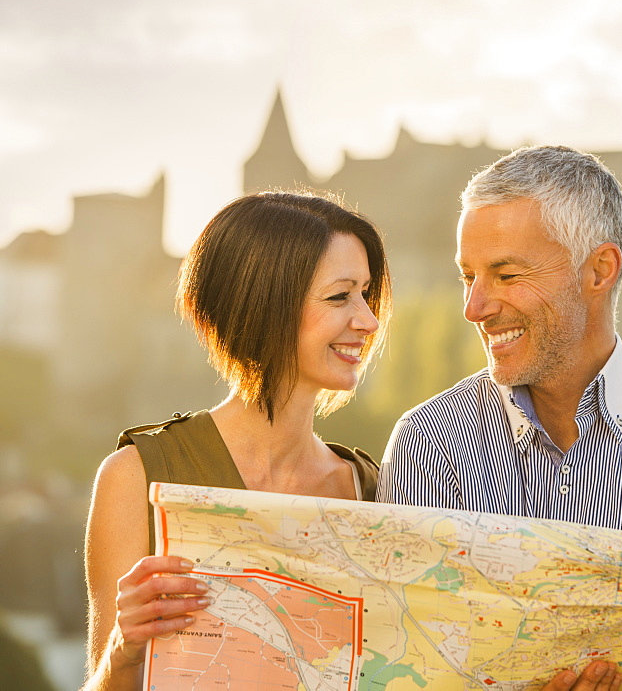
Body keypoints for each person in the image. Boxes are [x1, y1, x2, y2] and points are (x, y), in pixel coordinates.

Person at [377, 145, 622, 691]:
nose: (474, 306)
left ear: (599, 270)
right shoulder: (428, 444)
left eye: (506, 275)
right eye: (468, 277)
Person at [82, 190, 391, 691]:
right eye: (340, 296)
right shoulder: (136, 477)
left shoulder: (374, 487)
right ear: (263, 304)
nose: (369, 320)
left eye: (366, 293)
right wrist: (123, 651)